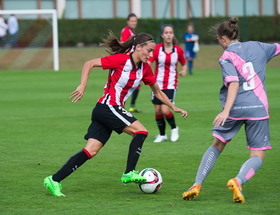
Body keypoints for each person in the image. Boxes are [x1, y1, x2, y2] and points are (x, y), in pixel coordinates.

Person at [182, 17, 280, 203]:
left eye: (219, 40)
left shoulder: (226, 56)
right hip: (258, 109)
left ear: (223, 38)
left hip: (235, 108)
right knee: (258, 154)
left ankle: (197, 184)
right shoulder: (258, 46)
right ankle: (238, 180)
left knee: (217, 145)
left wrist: (226, 111)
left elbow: (233, 83)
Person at [43, 32, 188, 197]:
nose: (150, 54)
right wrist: (83, 84)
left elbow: (157, 91)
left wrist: (173, 106)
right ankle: (129, 172)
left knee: (91, 150)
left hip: (106, 110)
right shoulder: (121, 60)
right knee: (141, 131)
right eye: (148, 50)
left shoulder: (145, 69)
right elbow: (89, 63)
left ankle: (54, 180)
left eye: (152, 51)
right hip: (108, 107)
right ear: (138, 47)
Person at [148, 24, 187, 143]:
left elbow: (183, 63)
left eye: (170, 32)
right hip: (156, 84)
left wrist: (184, 70)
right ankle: (162, 135)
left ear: (173, 34)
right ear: (162, 35)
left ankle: (174, 128)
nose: (168, 35)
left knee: (165, 110)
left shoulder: (178, 50)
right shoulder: (157, 49)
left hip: (170, 84)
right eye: (166, 33)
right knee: (158, 111)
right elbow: (149, 61)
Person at [120, 13, 141, 113]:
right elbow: (123, 45)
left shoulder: (132, 31)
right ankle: (121, 105)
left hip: (132, 61)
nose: (133, 22)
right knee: (127, 83)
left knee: (136, 82)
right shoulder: (126, 31)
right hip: (128, 61)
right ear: (128, 22)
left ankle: (131, 105)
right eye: (131, 21)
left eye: (135, 21)